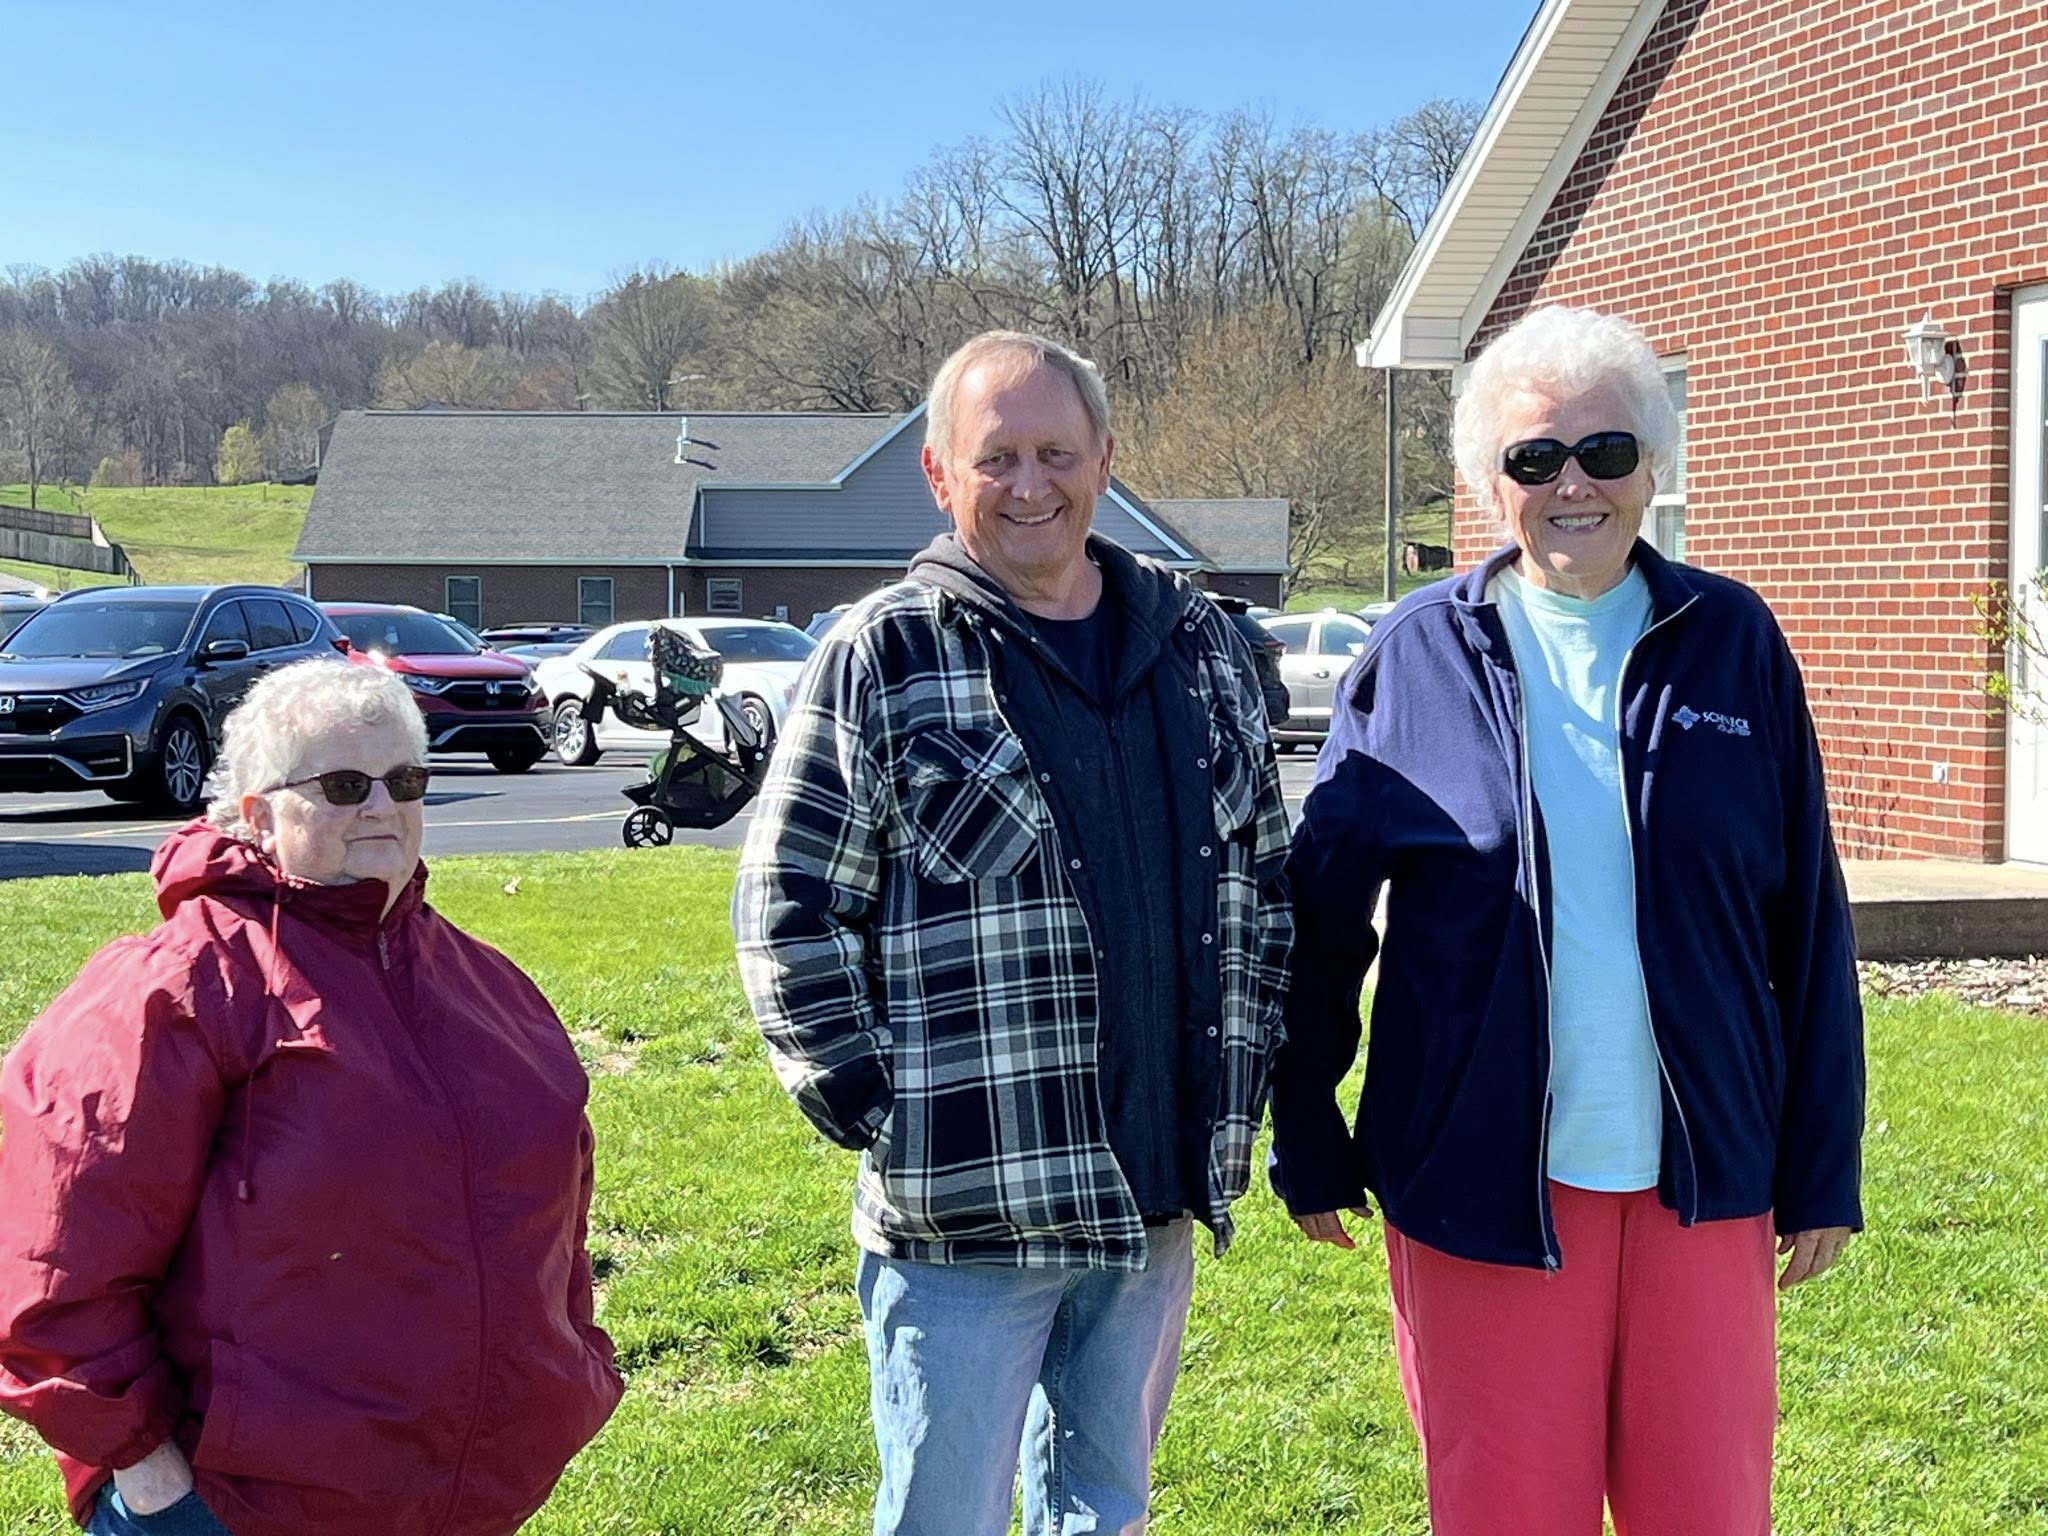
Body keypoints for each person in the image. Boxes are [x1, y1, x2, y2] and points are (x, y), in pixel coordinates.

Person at [1269, 304, 1865, 1536]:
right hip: (1477, 1178)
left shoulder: (1732, 642)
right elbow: (1319, 923)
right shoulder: (1414, 655)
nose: (1571, 485)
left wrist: (1820, 1161)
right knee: (1503, 1514)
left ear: (1651, 466)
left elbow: (1806, 922)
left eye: (1604, 451)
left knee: (1704, 1514)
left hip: (1701, 1180)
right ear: (1490, 482)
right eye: (1534, 458)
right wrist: (1307, 1128)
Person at [733, 330, 1293, 1536]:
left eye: (1055, 453)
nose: (1028, 485)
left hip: (1150, 1190)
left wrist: (1241, 1083)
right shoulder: (884, 654)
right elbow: (787, 907)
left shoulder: (1198, 648)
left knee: (1105, 1510)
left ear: (1104, 460)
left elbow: (1262, 881)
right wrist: (876, 1106)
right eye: (995, 458)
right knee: (944, 1519)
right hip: (966, 1210)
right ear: (940, 474)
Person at [0, 660, 623, 1536]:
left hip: (468, 1499)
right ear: (257, 814)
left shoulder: (482, 982)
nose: (381, 807)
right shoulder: (180, 985)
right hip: (240, 1507)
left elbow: (556, 1213)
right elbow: (55, 1259)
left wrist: (570, 1360)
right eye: (343, 786)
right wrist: (147, 1472)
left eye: (405, 780)